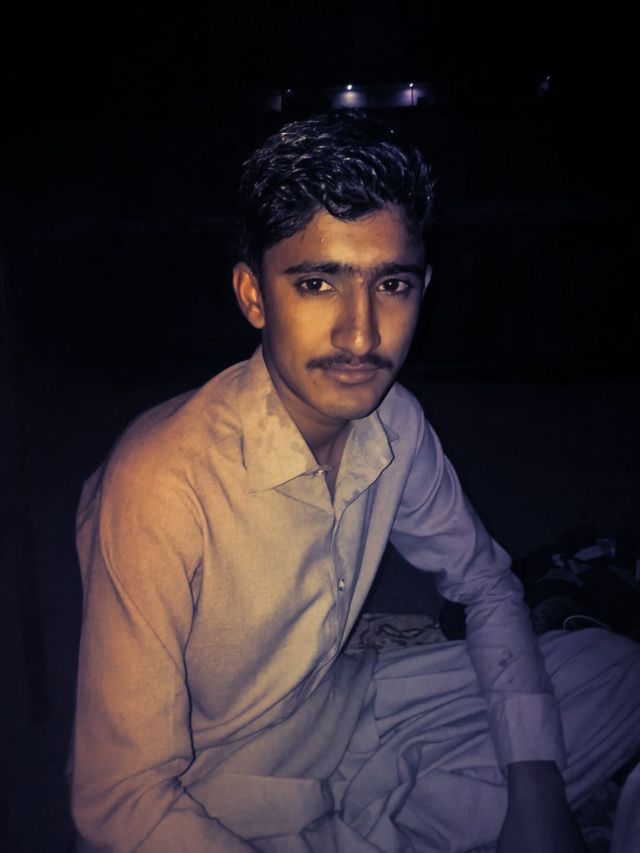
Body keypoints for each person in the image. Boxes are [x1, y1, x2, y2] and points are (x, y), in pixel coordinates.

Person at [71, 111, 640, 852]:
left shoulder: (394, 421)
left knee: (615, 672)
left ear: (422, 288)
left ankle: (378, 821)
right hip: (213, 782)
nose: (361, 334)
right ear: (253, 295)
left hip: (340, 706)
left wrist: (537, 797)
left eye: (391, 284)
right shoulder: (158, 484)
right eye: (317, 283)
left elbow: (486, 585)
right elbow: (119, 797)